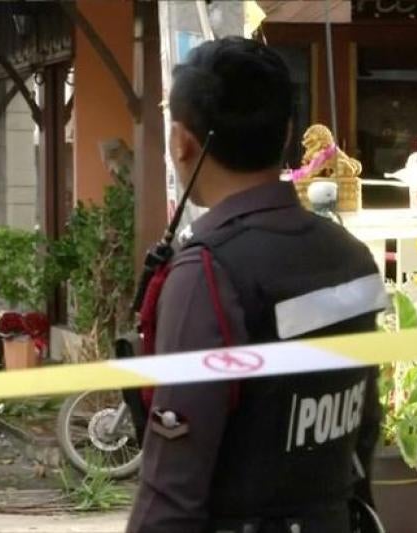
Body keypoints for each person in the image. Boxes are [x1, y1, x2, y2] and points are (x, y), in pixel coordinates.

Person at [127, 37, 385, 533]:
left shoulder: (208, 272)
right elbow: (363, 430)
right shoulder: (351, 257)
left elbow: (172, 487)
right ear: (288, 132)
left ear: (181, 142)